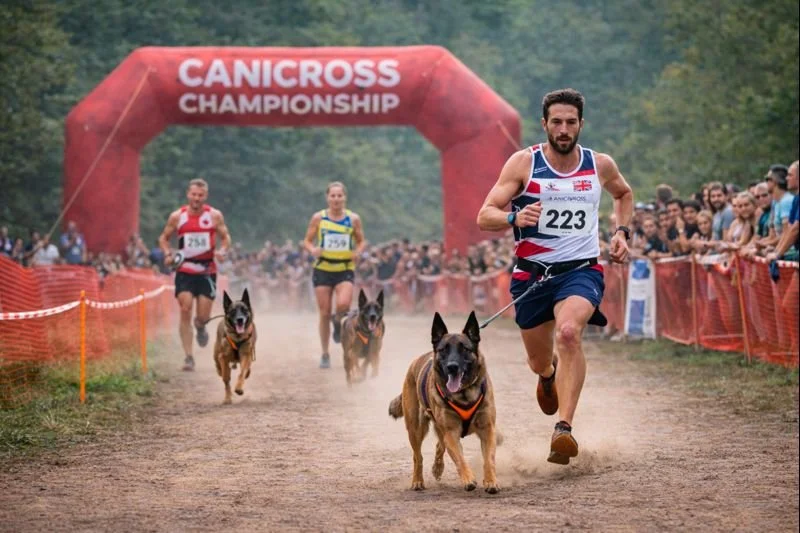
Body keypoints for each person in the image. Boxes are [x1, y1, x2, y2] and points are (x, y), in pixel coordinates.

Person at [477, 88, 632, 465]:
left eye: (571, 122)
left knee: (568, 333)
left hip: (580, 271)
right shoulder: (524, 164)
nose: (564, 129)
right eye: (557, 122)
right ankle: (548, 375)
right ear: (544, 124)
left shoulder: (599, 165)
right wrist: (514, 217)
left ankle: (564, 428)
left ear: (581, 124)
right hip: (531, 277)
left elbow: (623, 195)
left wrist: (622, 233)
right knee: (538, 360)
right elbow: (485, 215)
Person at [158, 178, 231, 371]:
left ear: (205, 196)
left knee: (202, 317)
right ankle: (189, 357)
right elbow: (164, 238)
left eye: (200, 195)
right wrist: (167, 253)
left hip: (207, 270)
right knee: (185, 308)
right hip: (184, 270)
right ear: (188, 195)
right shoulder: (177, 216)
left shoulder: (214, 215)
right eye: (193, 195)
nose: (196, 198)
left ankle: (200, 327)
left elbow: (226, 237)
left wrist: (223, 251)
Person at [303, 181, 366, 369]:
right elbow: (307, 240)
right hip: (323, 269)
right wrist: (312, 249)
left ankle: (338, 325)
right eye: (333, 195)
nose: (336, 199)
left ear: (344, 197)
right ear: (327, 197)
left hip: (345, 268)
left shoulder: (353, 219)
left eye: (340, 195)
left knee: (344, 305)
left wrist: (358, 252)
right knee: (324, 313)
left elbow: (361, 241)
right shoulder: (319, 218)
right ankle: (325, 353)